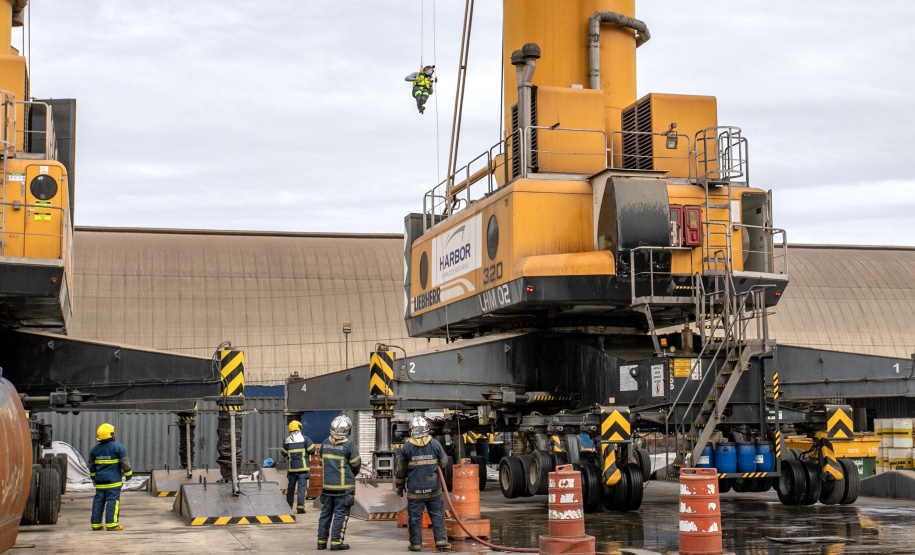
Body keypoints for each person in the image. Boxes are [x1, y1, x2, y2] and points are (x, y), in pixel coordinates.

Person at [394, 415, 452, 552]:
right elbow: (444, 462)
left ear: (411, 431)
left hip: (415, 491)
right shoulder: (434, 444)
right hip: (434, 490)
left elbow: (401, 470)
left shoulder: (407, 447)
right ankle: (441, 542)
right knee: (437, 515)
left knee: (414, 518)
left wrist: (399, 487)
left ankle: (415, 544)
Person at [317, 415, 361, 551]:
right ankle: (336, 542)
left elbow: (321, 462)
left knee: (326, 514)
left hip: (327, 488)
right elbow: (356, 464)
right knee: (341, 515)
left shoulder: (324, 443)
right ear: (347, 431)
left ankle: (321, 541)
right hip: (344, 489)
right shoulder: (349, 445)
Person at [87, 423, 132, 531]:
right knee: (113, 501)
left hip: (100, 482)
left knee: (98, 501)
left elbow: (91, 466)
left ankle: (96, 524)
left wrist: (94, 479)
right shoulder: (118, 447)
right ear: (112, 434)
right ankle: (112, 524)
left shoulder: (95, 449)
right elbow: (125, 463)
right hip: (113, 482)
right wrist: (129, 476)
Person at [282, 420, 317, 514]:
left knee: (291, 489)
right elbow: (312, 450)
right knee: (302, 488)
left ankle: (289, 506)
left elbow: (283, 453)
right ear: (300, 428)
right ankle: (300, 507)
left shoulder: (287, 441)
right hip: (303, 469)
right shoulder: (305, 439)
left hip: (292, 469)